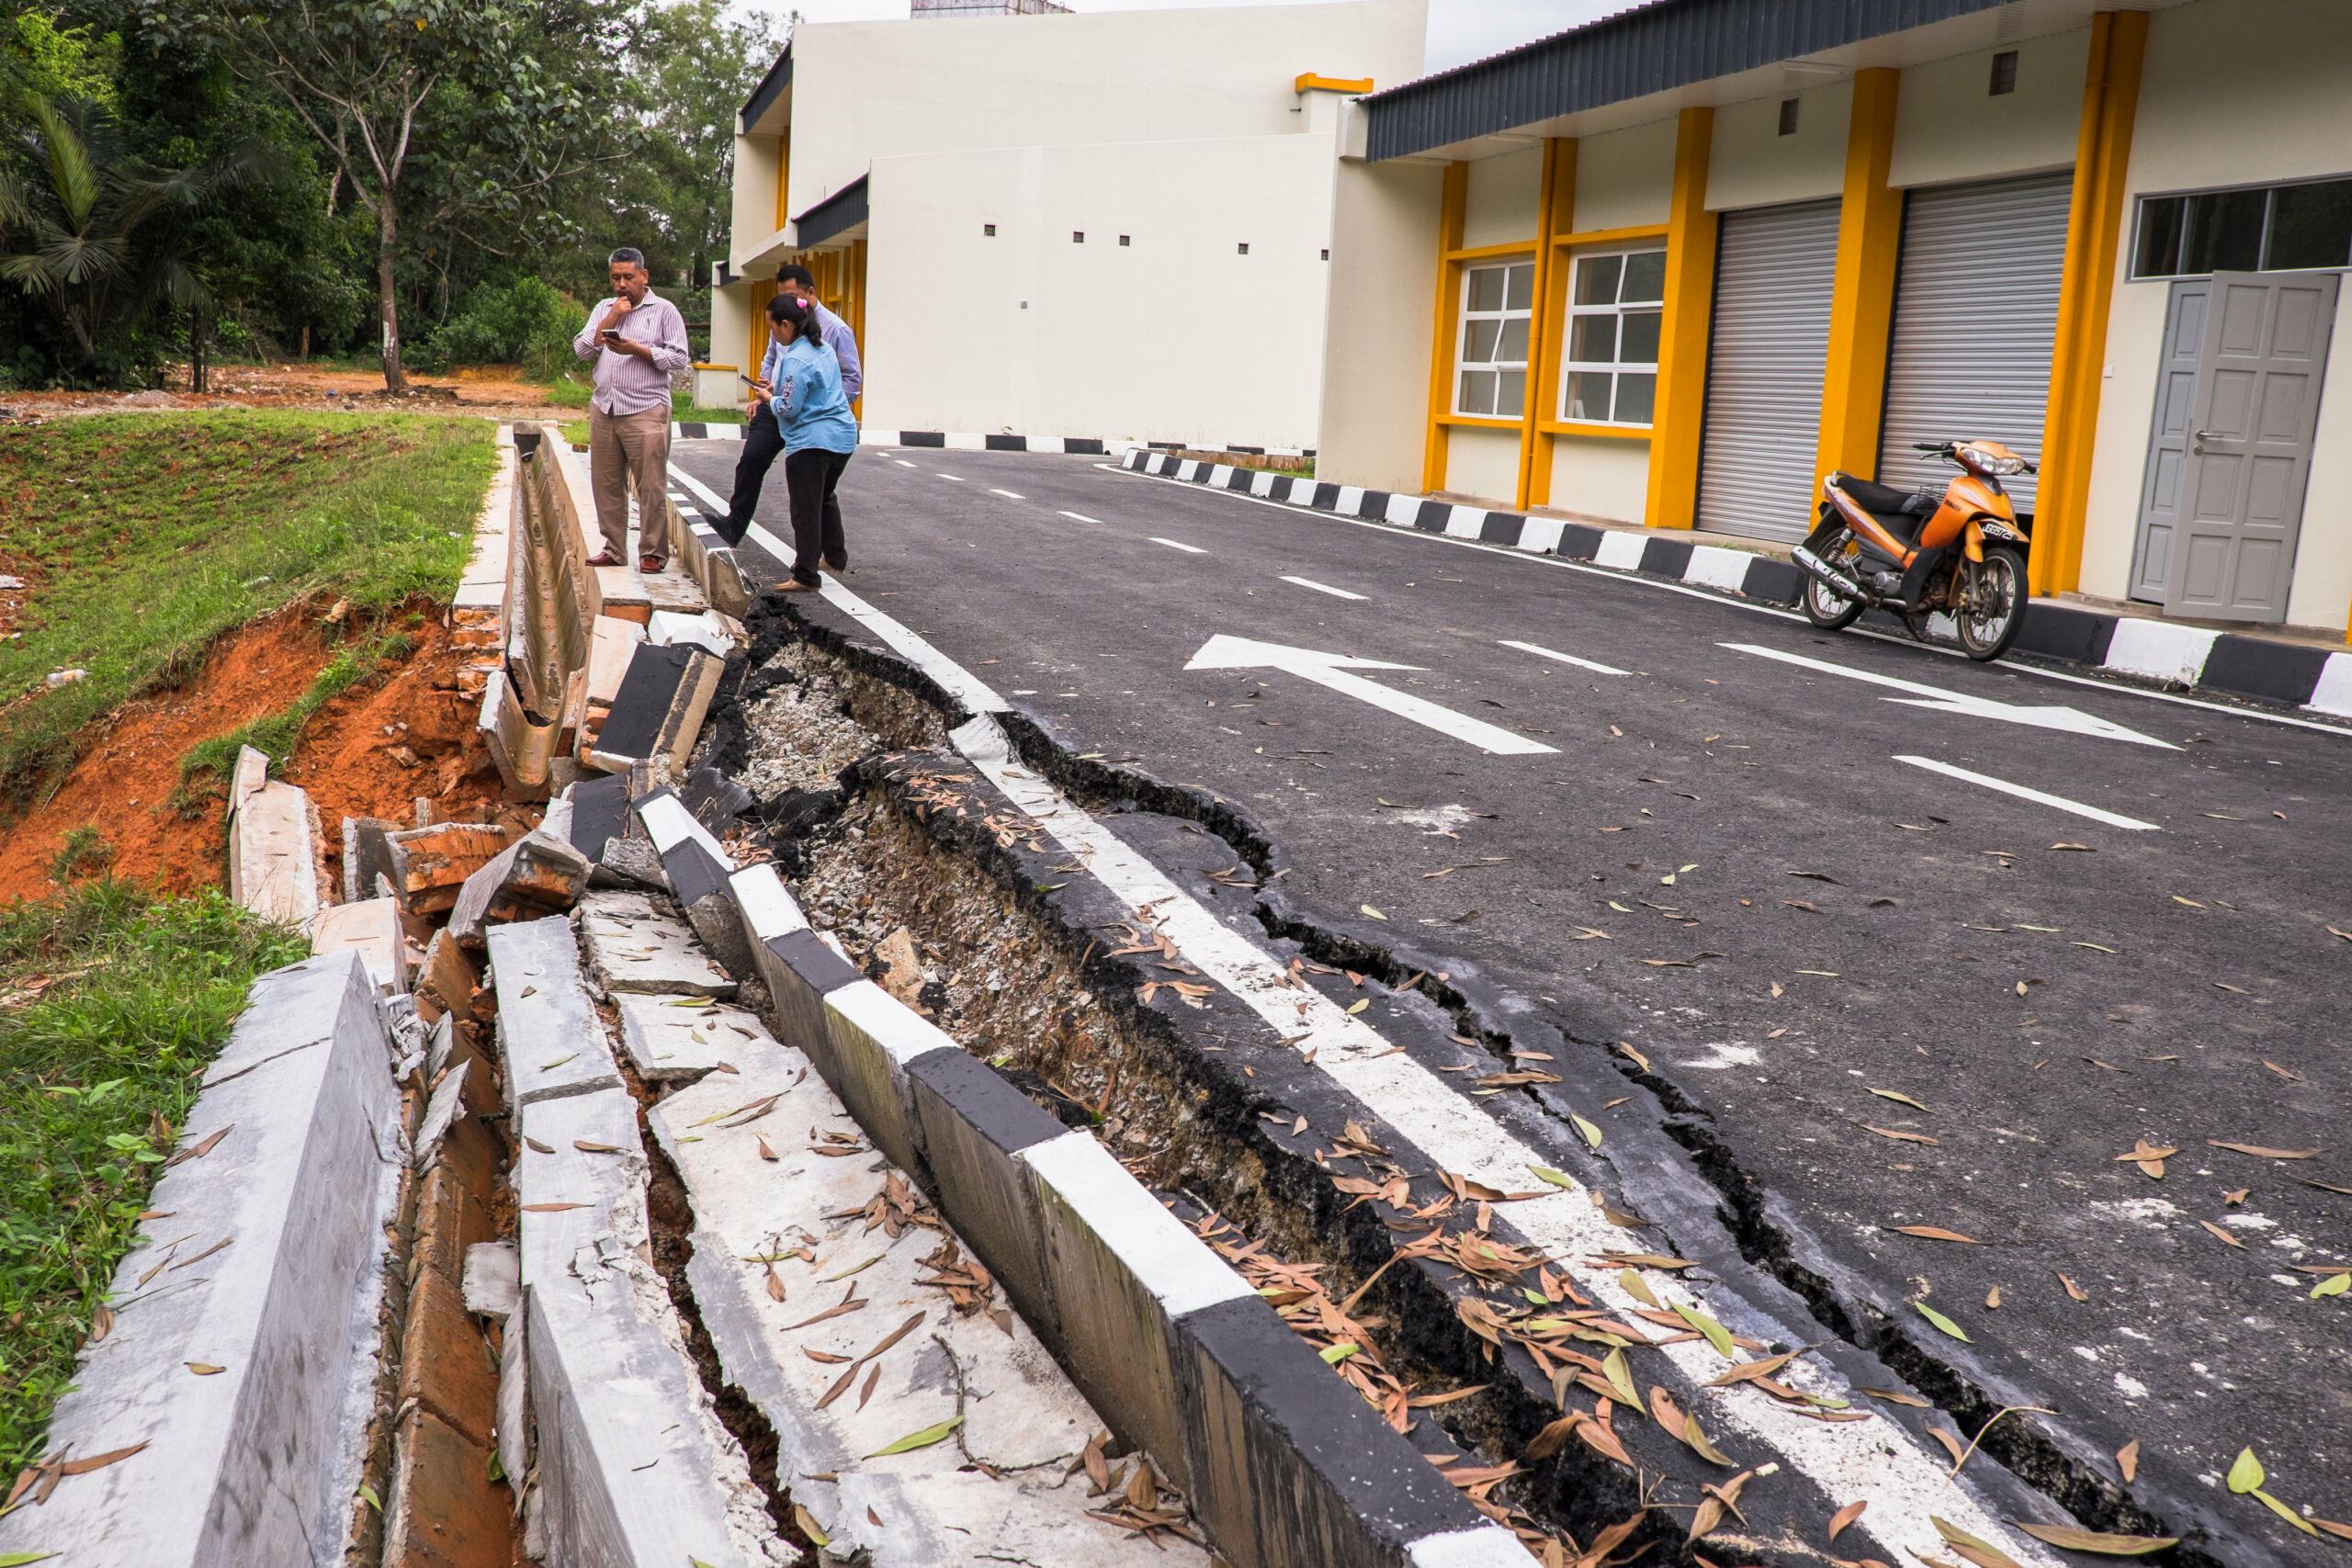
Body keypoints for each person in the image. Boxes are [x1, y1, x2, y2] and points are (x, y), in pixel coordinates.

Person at [718, 264, 861, 548]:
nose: (787, 304)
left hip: (813, 419)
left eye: (793, 296)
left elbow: (851, 380)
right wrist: (765, 389)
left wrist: (823, 410)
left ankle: (830, 555)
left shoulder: (836, 330)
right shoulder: (782, 323)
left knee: (817, 493)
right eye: (782, 296)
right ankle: (733, 526)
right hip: (777, 404)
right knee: (752, 459)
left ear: (811, 293)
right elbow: (772, 360)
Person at [572, 247, 690, 571]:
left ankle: (652, 552)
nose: (622, 284)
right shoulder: (604, 308)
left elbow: (679, 358)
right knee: (606, 483)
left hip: (646, 408)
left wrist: (636, 349)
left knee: (650, 484)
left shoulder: (664, 311)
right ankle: (613, 549)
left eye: (628, 277)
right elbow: (582, 350)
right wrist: (611, 318)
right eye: (615, 277)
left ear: (644, 276)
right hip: (605, 406)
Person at [761, 290, 858, 592]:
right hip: (842, 437)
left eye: (773, 327)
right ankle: (835, 556)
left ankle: (805, 575)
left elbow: (790, 408)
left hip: (811, 442)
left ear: (787, 325)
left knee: (805, 508)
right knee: (825, 497)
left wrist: (769, 398)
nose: (773, 334)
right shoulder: (823, 348)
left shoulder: (796, 360)